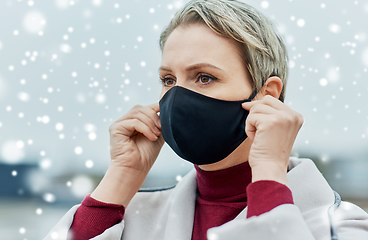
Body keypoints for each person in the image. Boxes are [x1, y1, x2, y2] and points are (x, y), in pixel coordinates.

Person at [44, 0, 368, 239]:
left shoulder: (342, 226)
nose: (176, 98)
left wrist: (268, 170)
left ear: (266, 95)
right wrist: (123, 174)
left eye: (203, 78)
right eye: (168, 80)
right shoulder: (131, 218)